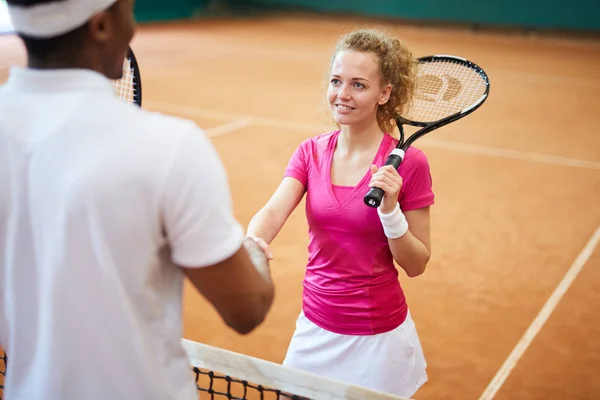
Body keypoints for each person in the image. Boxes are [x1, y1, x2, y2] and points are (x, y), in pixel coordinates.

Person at [0, 0, 275, 399]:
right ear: (100, 26)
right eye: (128, 11)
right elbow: (246, 308)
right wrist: (251, 253)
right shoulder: (170, 147)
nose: (132, 27)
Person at [246, 28, 434, 398]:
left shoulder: (410, 164)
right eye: (336, 81)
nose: (342, 95)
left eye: (358, 85)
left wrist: (390, 211)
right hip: (315, 327)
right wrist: (252, 240)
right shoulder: (311, 152)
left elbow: (417, 264)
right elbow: (272, 210)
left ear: (385, 94)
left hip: (377, 340)